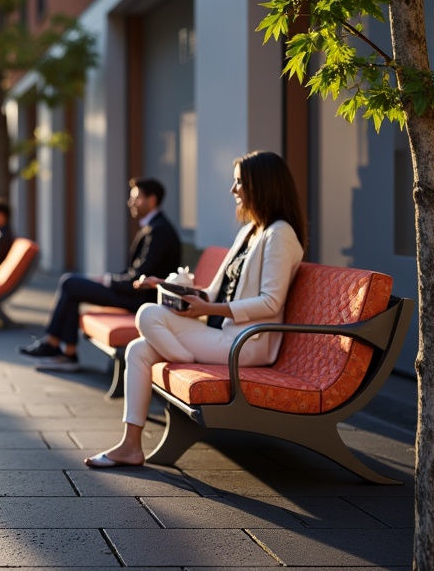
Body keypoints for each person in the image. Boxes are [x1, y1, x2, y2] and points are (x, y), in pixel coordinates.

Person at [85, 151, 306, 468]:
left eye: (239, 182)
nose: (234, 190)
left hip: (248, 344)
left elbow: (271, 302)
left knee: (148, 315)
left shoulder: (279, 235)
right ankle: (130, 446)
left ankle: (181, 358)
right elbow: (212, 291)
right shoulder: (250, 232)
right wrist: (167, 285)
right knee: (137, 350)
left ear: (262, 185)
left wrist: (211, 307)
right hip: (225, 335)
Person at [22, 177, 182, 371]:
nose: (130, 203)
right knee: (73, 287)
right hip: (134, 293)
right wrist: (108, 279)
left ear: (152, 200)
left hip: (141, 299)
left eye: (136, 198)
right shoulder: (154, 227)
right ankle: (66, 353)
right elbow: (136, 272)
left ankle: (54, 345)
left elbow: (140, 277)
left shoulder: (160, 231)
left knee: (70, 283)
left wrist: (108, 280)